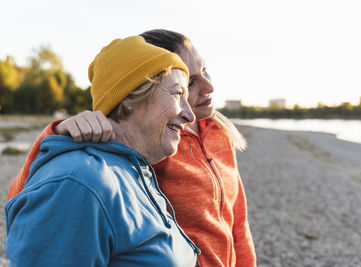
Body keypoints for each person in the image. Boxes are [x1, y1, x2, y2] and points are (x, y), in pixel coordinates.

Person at [8, 30, 256, 267]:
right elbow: (39, 198)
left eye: (205, 70)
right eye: (184, 86)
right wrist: (59, 136)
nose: (208, 87)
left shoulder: (203, 137)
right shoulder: (125, 158)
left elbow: (238, 224)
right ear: (133, 95)